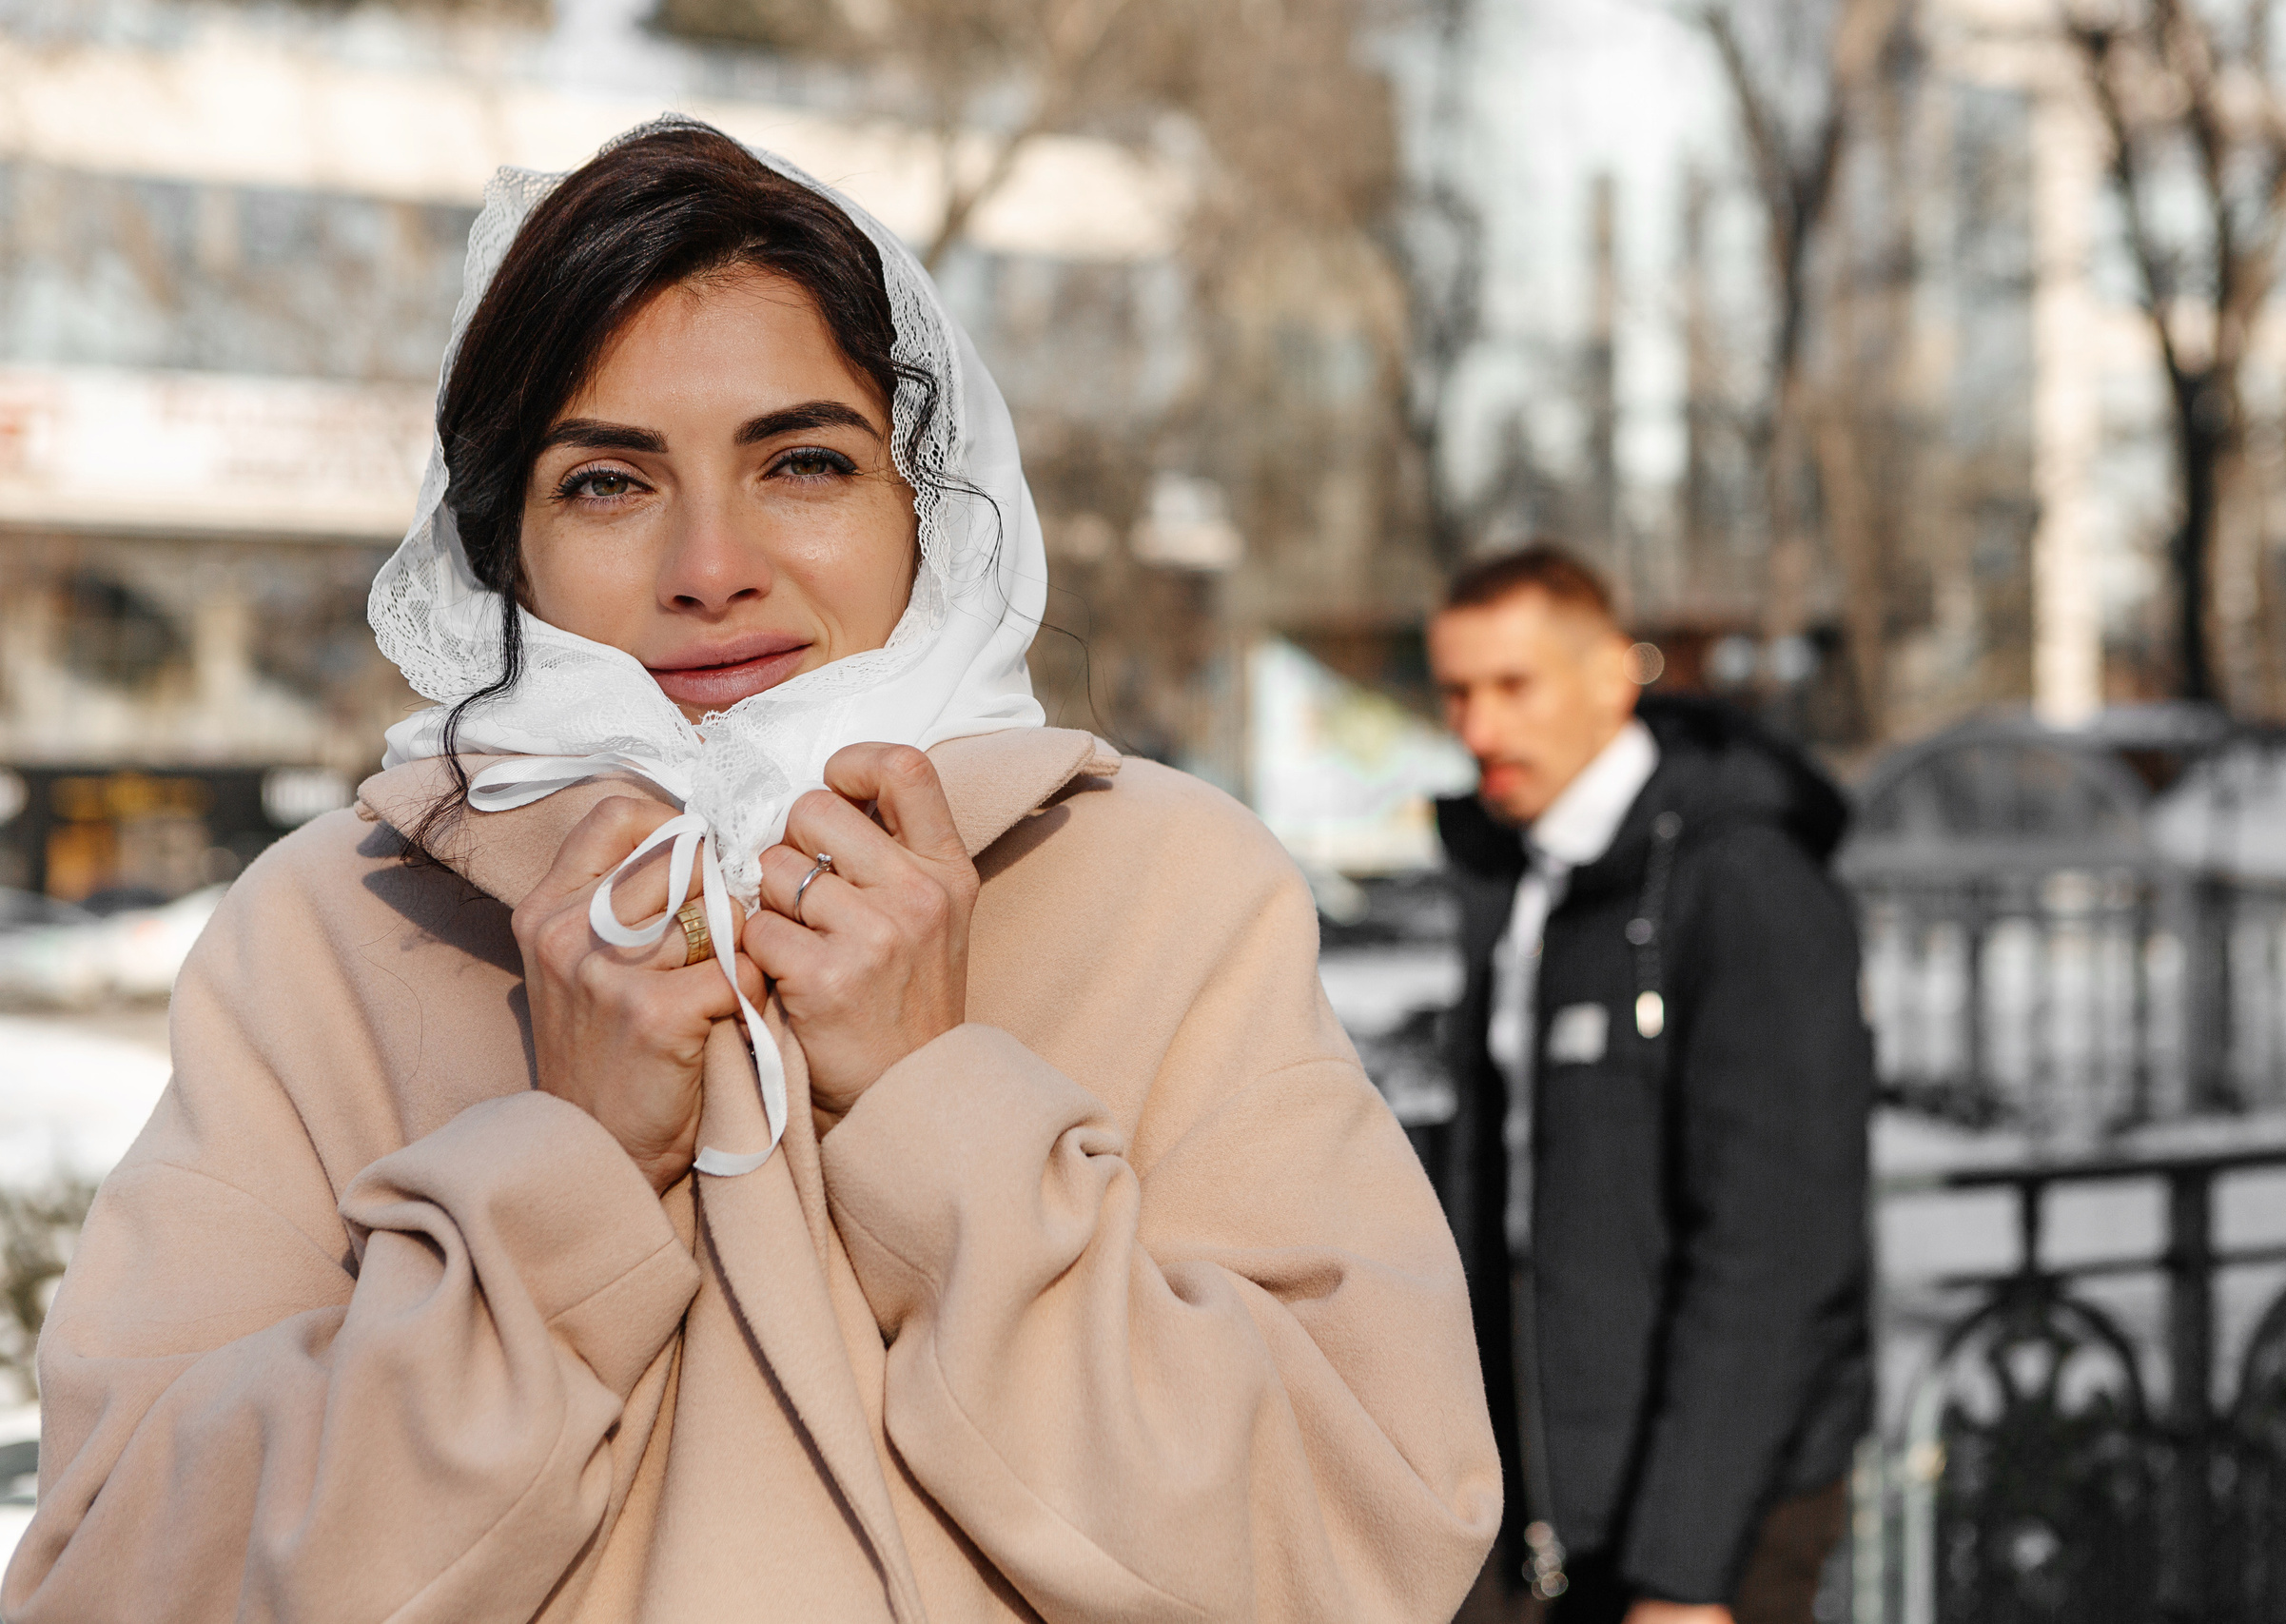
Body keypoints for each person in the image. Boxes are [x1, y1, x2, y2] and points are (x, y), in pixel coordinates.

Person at [3, 119, 1500, 1624]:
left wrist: (941, 1113)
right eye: (606, 481)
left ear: (931, 501)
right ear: (500, 543)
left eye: (802, 461)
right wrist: (558, 1185)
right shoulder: (337, 927)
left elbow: (1358, 1549)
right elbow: (123, 1576)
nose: (710, 565)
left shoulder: (1170, 891)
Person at [1426, 548, 1872, 1624]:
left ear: (1611, 679)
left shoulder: (1742, 881)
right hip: (1536, 1503)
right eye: (1456, 692)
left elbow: (1775, 1248)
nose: (1479, 729)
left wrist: (1685, 1571)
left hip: (1701, 1528)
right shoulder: (1519, 876)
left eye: (1513, 686)